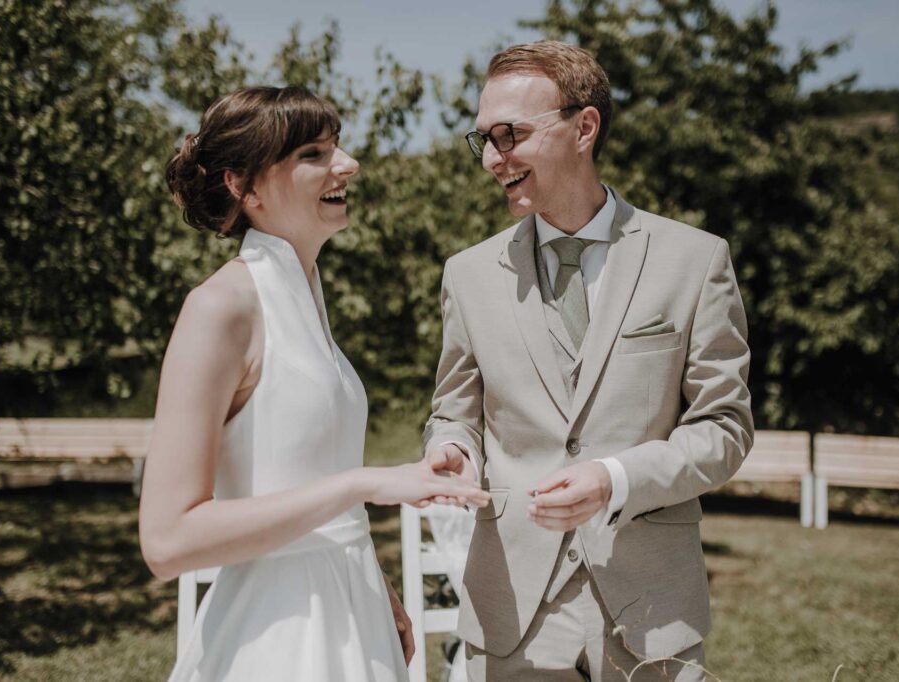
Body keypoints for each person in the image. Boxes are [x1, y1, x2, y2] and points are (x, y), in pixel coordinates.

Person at [423, 42, 753, 681]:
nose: (493, 158)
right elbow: (454, 412)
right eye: (483, 139)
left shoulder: (695, 260)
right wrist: (453, 449)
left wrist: (616, 479)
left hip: (651, 613)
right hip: (512, 612)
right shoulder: (466, 276)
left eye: (510, 134)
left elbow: (725, 429)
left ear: (584, 127)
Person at [138, 85, 489, 681]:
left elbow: (300, 476)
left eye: (337, 147)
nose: (347, 164)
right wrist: (362, 483)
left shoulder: (305, 296)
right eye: (313, 154)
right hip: (278, 633)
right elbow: (168, 540)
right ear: (242, 186)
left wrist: (373, 583)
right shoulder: (220, 307)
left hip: (351, 611)